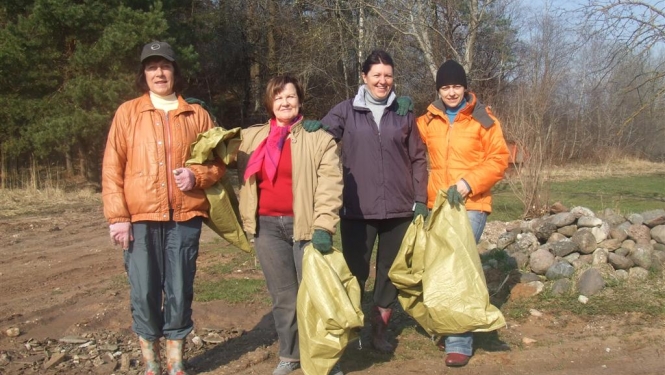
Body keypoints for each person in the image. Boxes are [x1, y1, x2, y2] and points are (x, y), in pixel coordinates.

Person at [102, 41, 225, 375]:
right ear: (144, 74)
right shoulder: (128, 113)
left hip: (184, 218)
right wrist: (118, 218)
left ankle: (176, 364)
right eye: (152, 67)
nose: (159, 73)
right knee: (143, 291)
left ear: (175, 71)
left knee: (180, 288)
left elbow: (219, 163)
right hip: (139, 219)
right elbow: (112, 169)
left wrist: (196, 175)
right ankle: (151, 364)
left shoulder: (196, 114)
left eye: (165, 66)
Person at [305, 49, 429, 353]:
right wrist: (304, 126)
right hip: (357, 208)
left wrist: (421, 199)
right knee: (354, 270)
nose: (383, 81)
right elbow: (319, 137)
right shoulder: (346, 110)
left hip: (399, 208)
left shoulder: (403, 112)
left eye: (388, 75)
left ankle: (379, 331)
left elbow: (418, 157)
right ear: (364, 77)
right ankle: (352, 328)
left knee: (389, 273)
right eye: (377, 75)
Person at [237, 75, 344, 375]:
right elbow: (216, 147)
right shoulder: (251, 137)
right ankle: (291, 354)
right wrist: (200, 115)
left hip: (307, 228)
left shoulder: (318, 137)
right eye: (278, 97)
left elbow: (330, 185)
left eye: (290, 96)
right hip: (267, 228)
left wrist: (324, 227)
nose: (284, 102)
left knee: (315, 293)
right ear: (269, 102)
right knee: (284, 296)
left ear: (300, 100)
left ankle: (324, 357)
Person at [415, 59, 510, 367]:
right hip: (438, 205)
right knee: (439, 268)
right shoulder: (428, 121)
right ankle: (448, 323)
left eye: (456, 86)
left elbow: (499, 159)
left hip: (470, 204)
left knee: (458, 268)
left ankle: (460, 340)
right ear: (438, 89)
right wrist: (398, 111)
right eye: (445, 87)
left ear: (465, 87)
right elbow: (406, 144)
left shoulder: (483, 120)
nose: (452, 93)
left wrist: (468, 183)